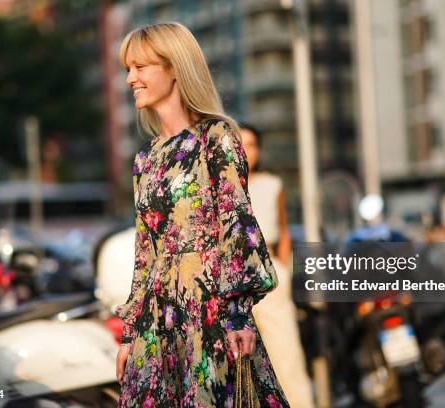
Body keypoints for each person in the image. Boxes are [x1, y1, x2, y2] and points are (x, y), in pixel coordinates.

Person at [113, 22, 291, 408]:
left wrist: (239, 313)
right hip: (157, 320)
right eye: (128, 68)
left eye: (140, 67)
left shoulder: (217, 138)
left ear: (174, 67)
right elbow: (145, 252)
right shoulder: (145, 160)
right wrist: (131, 333)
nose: (131, 79)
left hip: (207, 310)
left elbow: (237, 225)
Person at [239, 123, 316, 408]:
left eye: (252, 144)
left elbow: (284, 230)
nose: (247, 151)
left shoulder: (272, 184)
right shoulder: (217, 186)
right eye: (241, 143)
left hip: (268, 272)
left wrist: (283, 267)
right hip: (231, 277)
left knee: (286, 354)